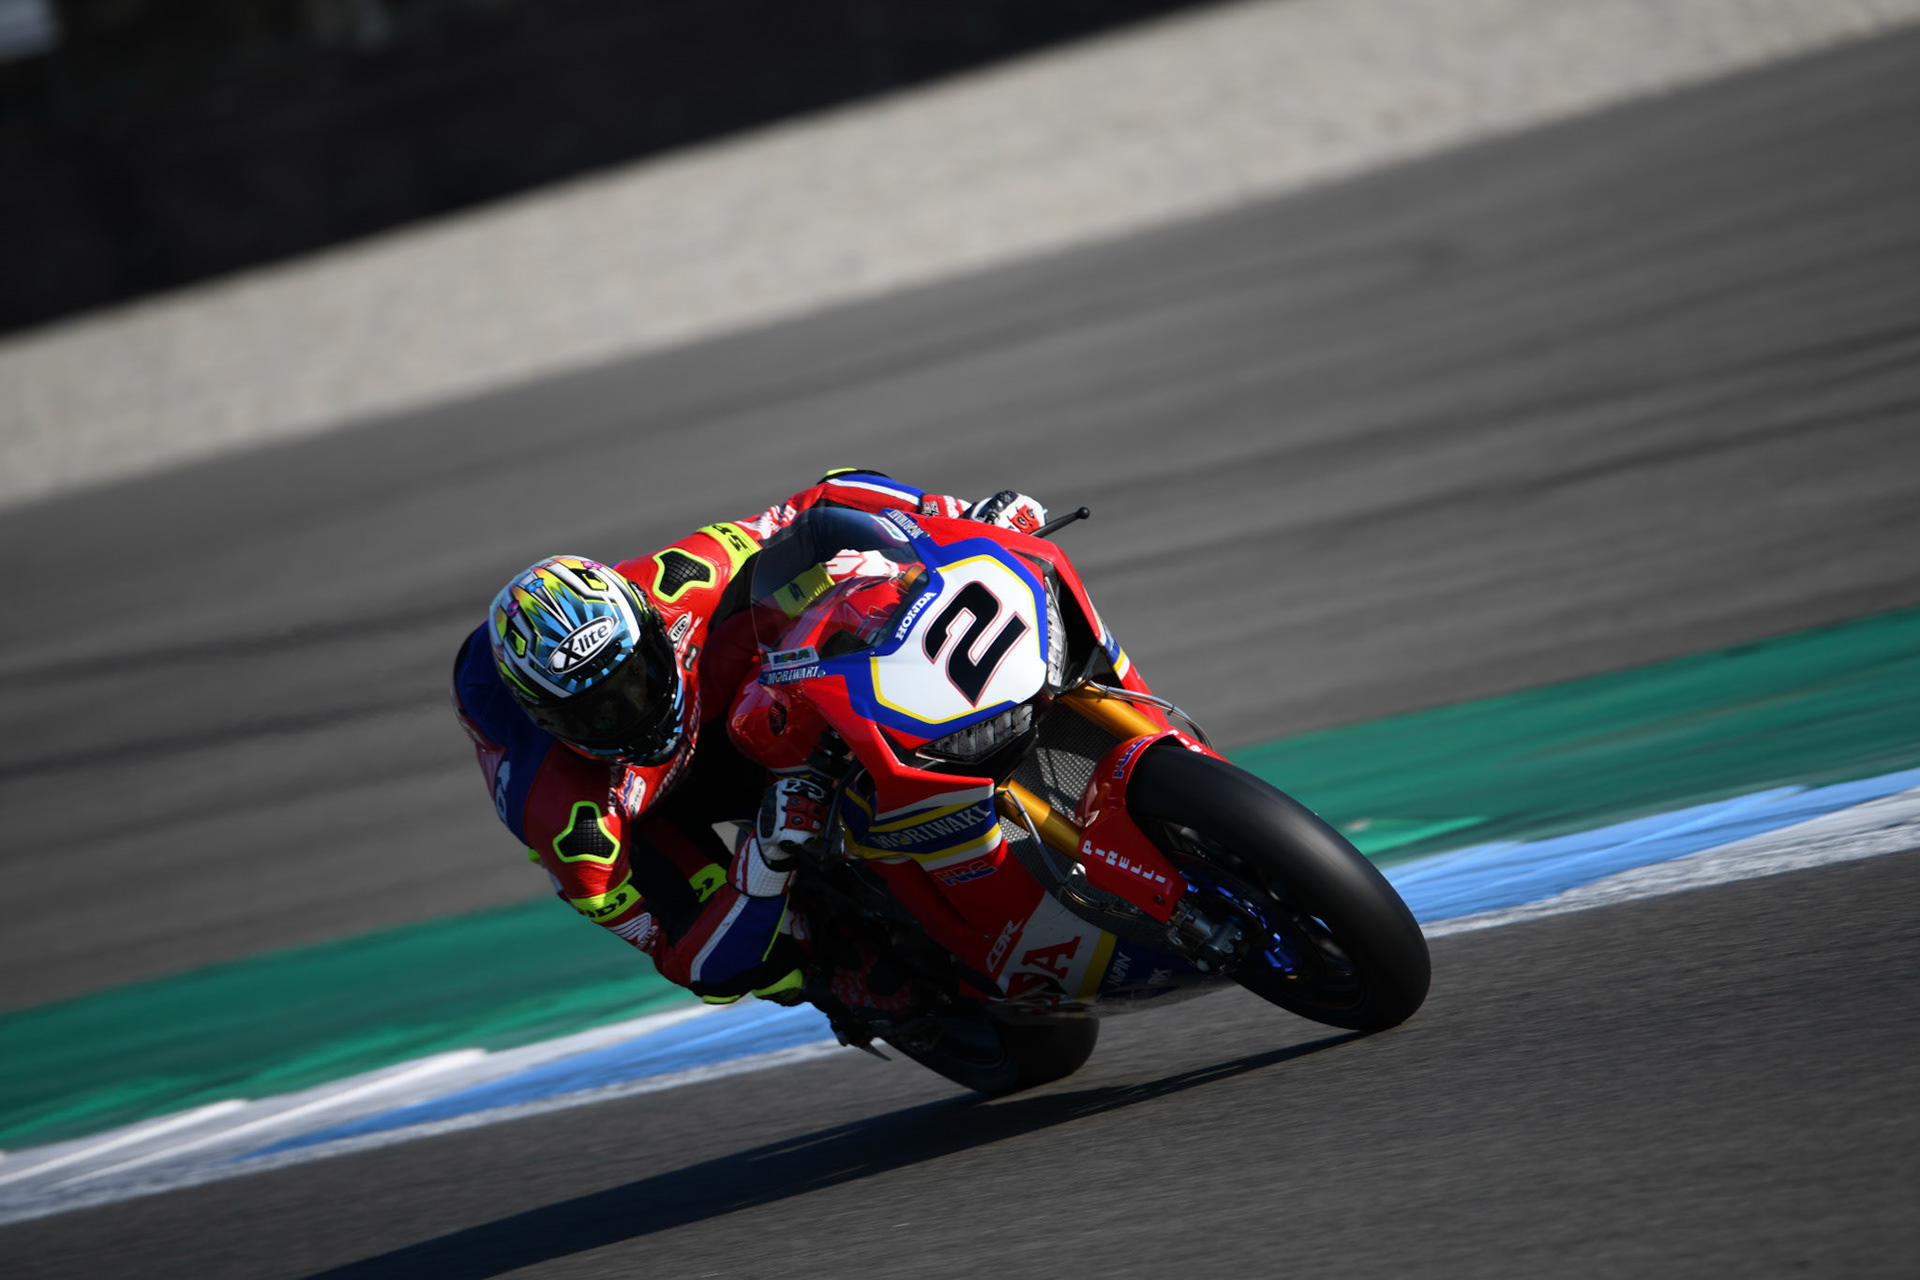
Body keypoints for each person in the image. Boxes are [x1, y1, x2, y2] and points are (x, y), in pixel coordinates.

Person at [450, 470, 1047, 1007]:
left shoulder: (684, 580)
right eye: (595, 715)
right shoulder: (570, 823)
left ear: (654, 628)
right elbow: (680, 958)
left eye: (637, 679)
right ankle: (832, 970)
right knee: (760, 969)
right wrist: (764, 861)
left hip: (716, 687)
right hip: (648, 807)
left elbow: (815, 506)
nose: (632, 715)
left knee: (853, 597)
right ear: (547, 723)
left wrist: (955, 515)